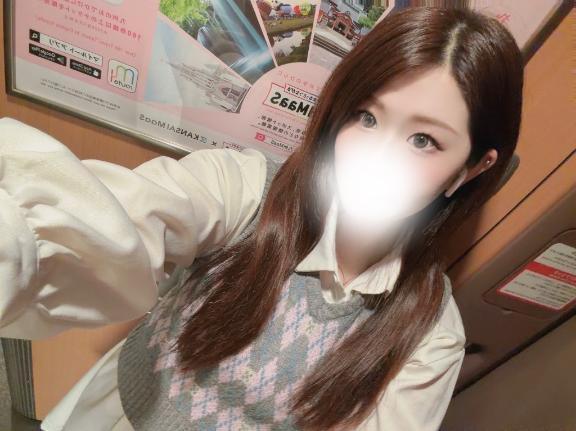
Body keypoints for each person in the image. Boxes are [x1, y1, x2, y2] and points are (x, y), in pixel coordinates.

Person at [0, 5, 524, 431]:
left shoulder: (430, 335)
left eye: (423, 140)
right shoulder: (248, 190)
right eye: (366, 117)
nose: (376, 158)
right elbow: (118, 216)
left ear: (471, 169)